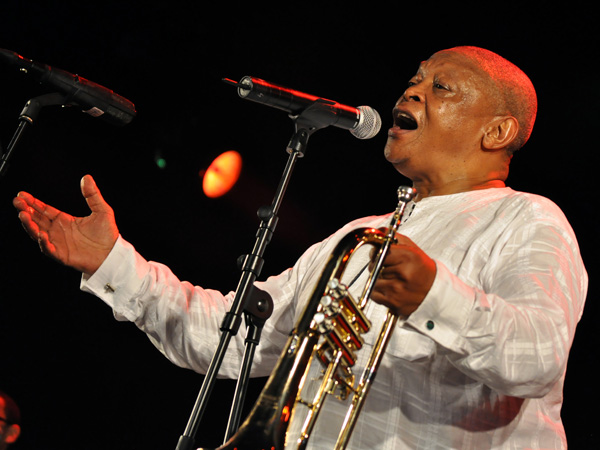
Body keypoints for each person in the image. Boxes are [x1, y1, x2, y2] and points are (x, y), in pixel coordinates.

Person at [12, 46, 587, 449]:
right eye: (414, 79)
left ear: (498, 132)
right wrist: (114, 264)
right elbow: (230, 337)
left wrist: (434, 296)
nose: (412, 90)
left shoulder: (528, 219)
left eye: (441, 86)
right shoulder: (356, 236)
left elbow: (537, 356)